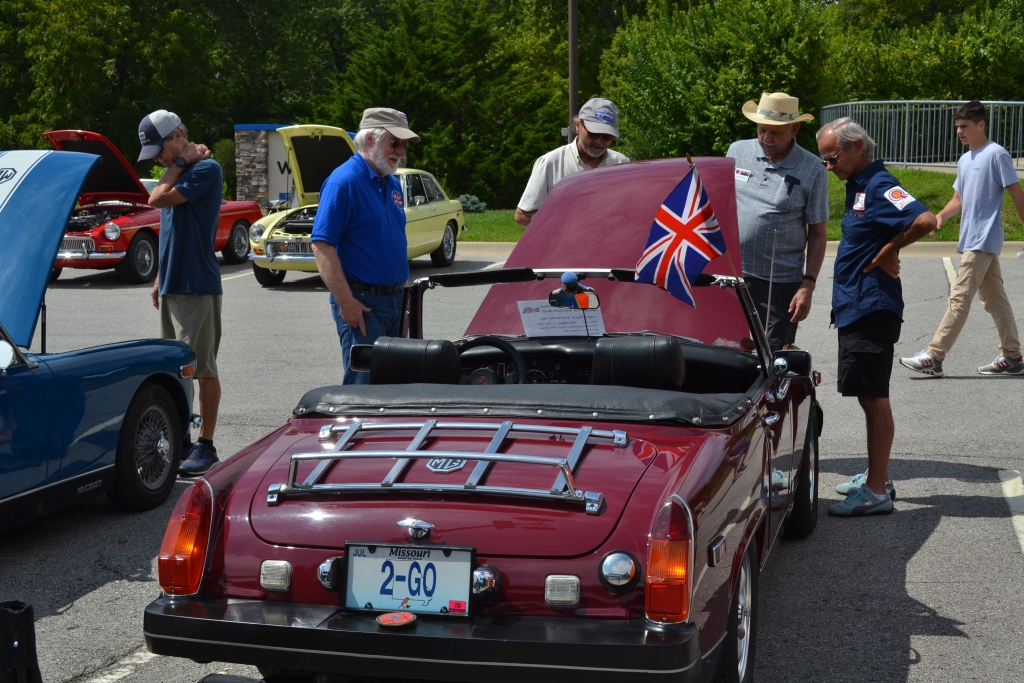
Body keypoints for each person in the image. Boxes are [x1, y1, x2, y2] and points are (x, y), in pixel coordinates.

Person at [818, 117, 937, 517]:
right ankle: (876, 475)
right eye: (824, 160)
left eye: (832, 158)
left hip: (871, 305)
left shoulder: (880, 186)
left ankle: (876, 491)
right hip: (857, 304)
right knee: (868, 395)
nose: (828, 167)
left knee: (873, 397)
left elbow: (925, 220)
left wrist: (891, 249)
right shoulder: (858, 186)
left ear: (857, 149)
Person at [900, 100, 1024, 378]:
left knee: (959, 298)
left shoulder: (996, 154)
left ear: (981, 125)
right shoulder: (965, 160)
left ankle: (934, 355)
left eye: (965, 126)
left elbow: (1017, 193)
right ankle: (1013, 356)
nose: (960, 131)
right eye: (957, 127)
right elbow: (958, 199)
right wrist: (941, 216)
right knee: (995, 300)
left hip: (983, 237)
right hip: (971, 238)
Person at [138, 110, 224, 476]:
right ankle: (183, 441)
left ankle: (206, 445)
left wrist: (184, 161)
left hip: (196, 284)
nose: (158, 159)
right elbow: (170, 228)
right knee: (177, 370)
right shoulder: (181, 171)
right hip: (174, 283)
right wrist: (160, 276)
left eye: (160, 149)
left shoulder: (206, 169)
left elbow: (155, 200)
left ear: (177, 136)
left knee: (200, 368)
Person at [311, 108, 419, 384]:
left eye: (404, 145)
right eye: (394, 142)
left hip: (393, 302)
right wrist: (347, 302)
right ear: (370, 138)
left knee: (392, 386)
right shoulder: (343, 182)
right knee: (364, 390)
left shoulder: (391, 183)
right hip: (363, 304)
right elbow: (322, 246)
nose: (401, 151)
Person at [727, 92, 828, 351]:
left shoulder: (813, 168)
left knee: (770, 357)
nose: (766, 139)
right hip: (732, 274)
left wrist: (808, 285)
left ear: (794, 129)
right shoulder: (737, 151)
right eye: (762, 131)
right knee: (727, 350)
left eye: (775, 133)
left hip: (779, 283)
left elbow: (817, 233)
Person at [515, 98, 629, 226]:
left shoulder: (622, 164)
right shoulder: (550, 162)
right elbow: (522, 215)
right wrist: (567, 220)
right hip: (563, 244)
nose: (599, 141)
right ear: (578, 126)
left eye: (607, 136)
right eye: (593, 133)